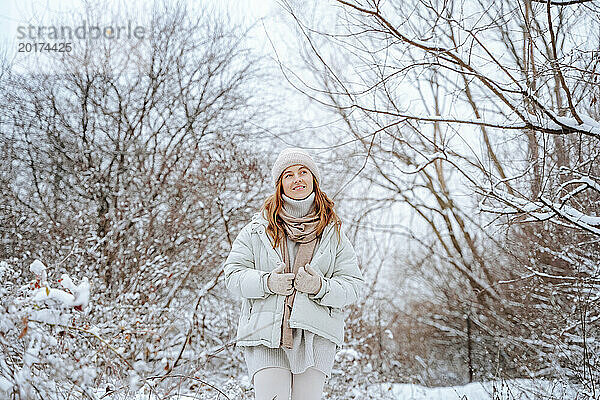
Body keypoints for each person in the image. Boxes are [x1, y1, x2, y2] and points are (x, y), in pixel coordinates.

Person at [223, 147, 365, 400]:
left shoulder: (334, 233)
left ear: (313, 180)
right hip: (266, 333)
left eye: (303, 172)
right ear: (280, 185)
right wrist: (267, 282)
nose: (297, 179)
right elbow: (232, 275)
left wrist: (320, 287)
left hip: (316, 336)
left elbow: (353, 286)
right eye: (288, 175)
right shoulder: (257, 230)